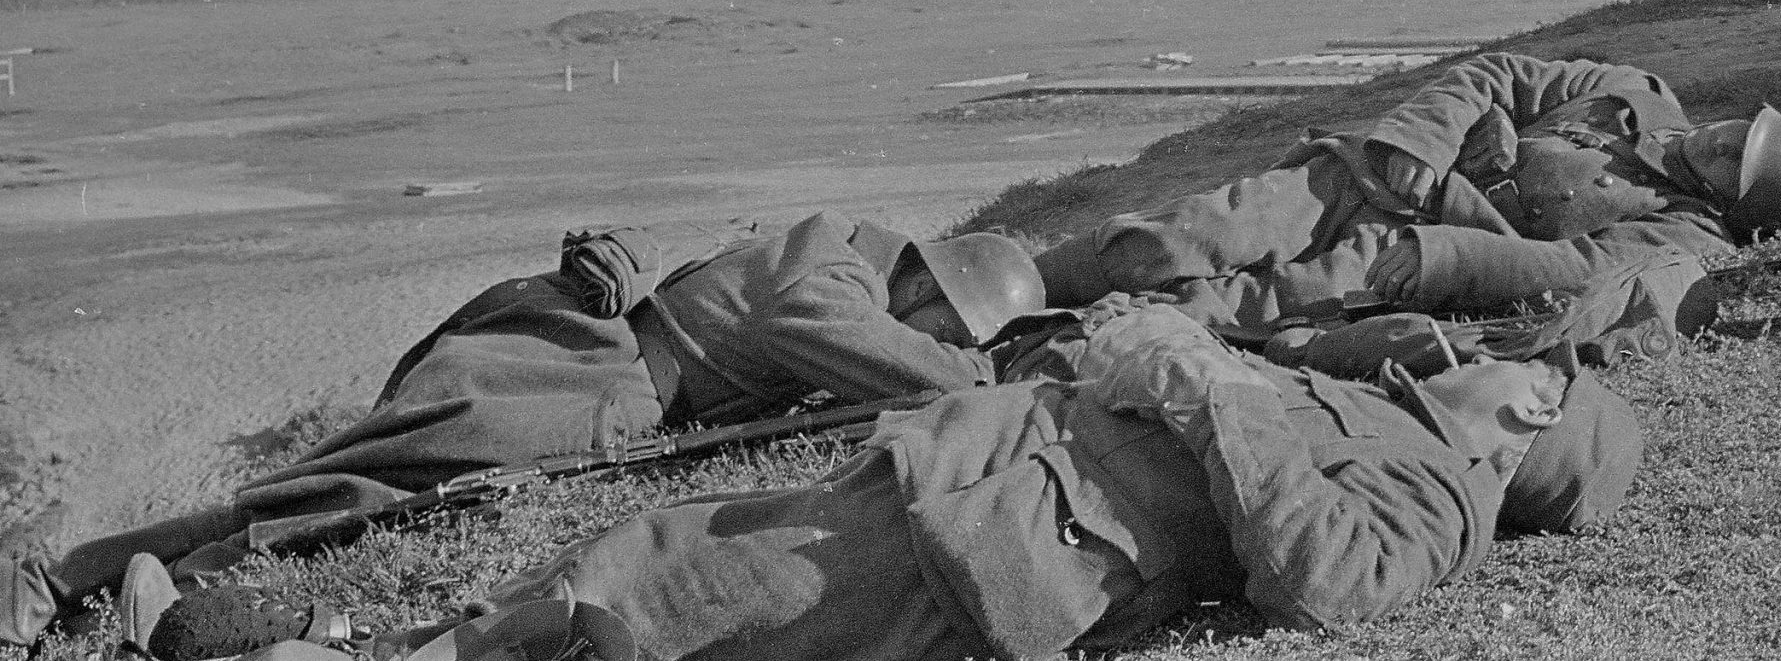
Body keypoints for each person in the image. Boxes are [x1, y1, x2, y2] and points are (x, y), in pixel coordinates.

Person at [0, 211, 1045, 651]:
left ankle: (88, 582)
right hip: (578, 387)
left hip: (568, 362)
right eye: (943, 321)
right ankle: (75, 585)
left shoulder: (834, 251)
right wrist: (985, 365)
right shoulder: (833, 277)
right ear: (923, 282)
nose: (932, 336)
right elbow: (898, 365)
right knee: (338, 499)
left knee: (339, 487)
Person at [370, 305, 1644, 661]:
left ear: (1532, 411)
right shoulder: (1383, 405)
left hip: (986, 541)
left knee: (644, 598)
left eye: (1507, 365)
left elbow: (1327, 576)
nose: (1479, 357)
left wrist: (1207, 382)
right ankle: (353, 640)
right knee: (648, 545)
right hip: (961, 473)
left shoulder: (1439, 493)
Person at [1038, 51, 1781, 327]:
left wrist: (1445, 258)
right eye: (1740, 126)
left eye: (1736, 157)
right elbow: (1500, 73)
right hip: (1364, 177)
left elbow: (1579, 275)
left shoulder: (1683, 237)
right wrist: (1426, 137)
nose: (1721, 135)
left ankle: (1034, 352)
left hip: (1405, 252)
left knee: (1242, 309)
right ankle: (1004, 287)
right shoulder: (1636, 92)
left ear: (1741, 206)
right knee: (1182, 236)